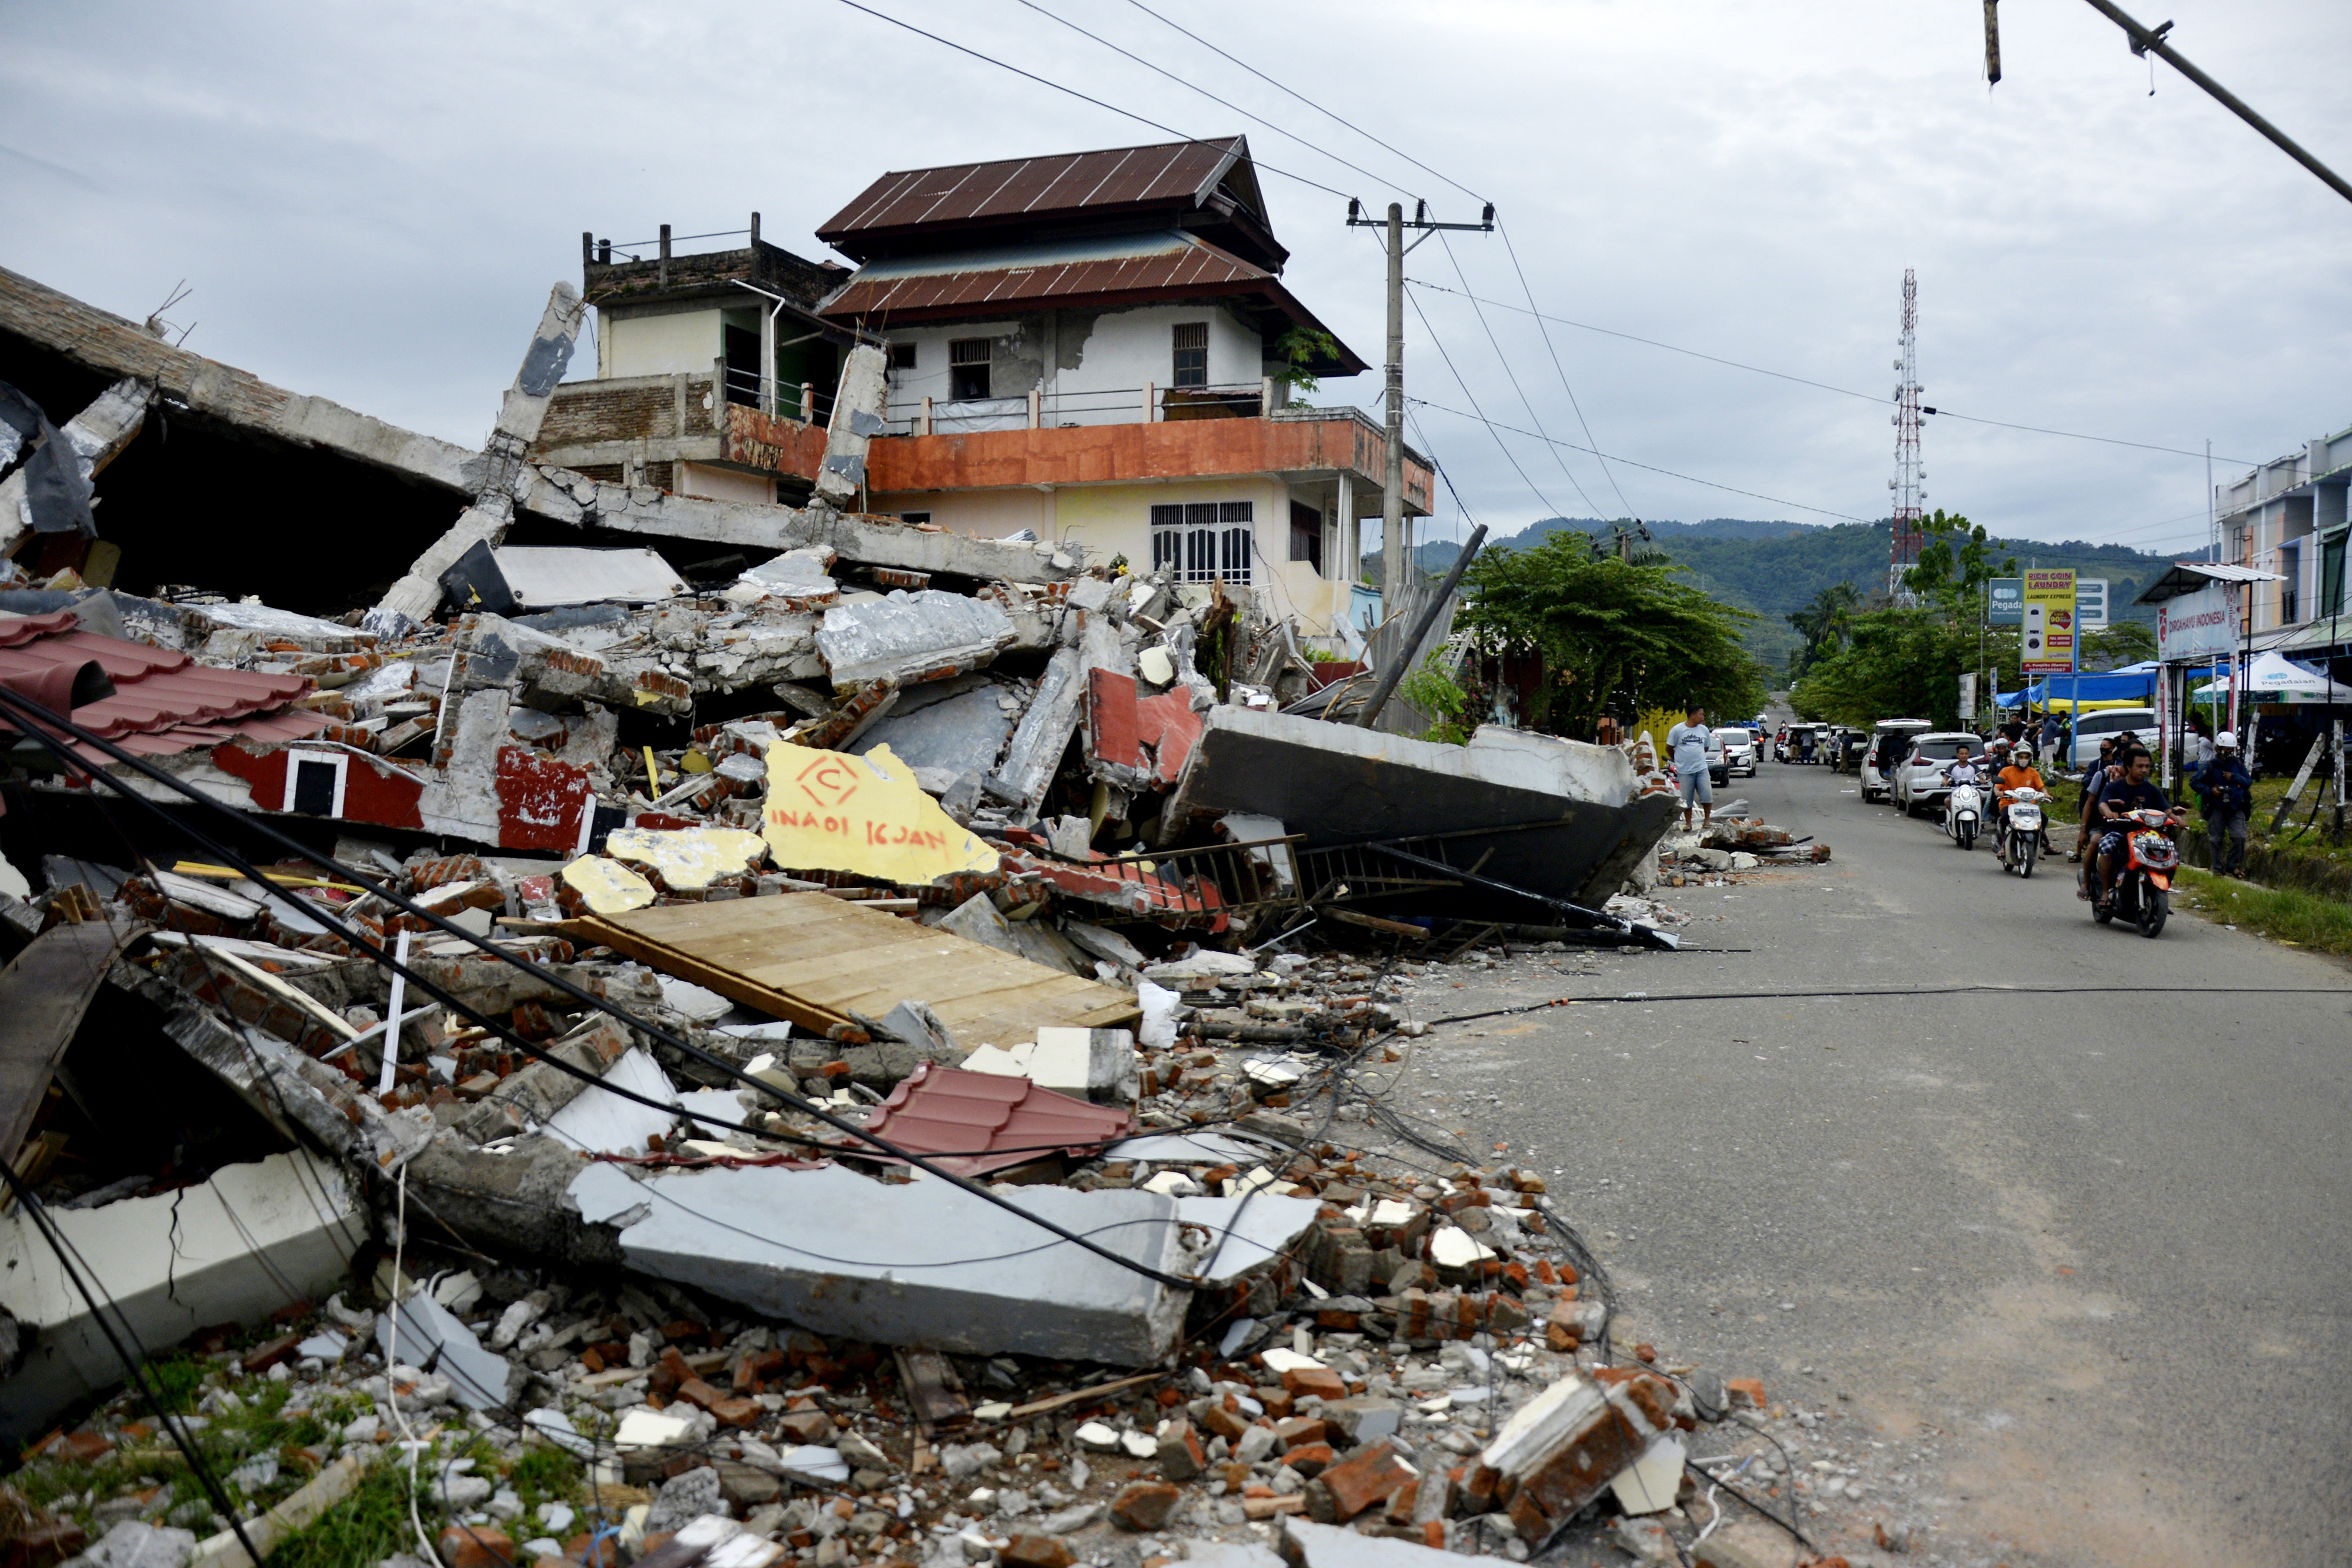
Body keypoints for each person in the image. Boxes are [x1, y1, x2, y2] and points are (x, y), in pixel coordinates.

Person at [2092, 748, 2174, 908]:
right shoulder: (2115, 787)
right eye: (2140, 766)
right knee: (2106, 847)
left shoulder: (2151, 789)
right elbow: (2102, 803)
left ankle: (2158, 893)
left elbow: (2167, 810)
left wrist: (2177, 819)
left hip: (2147, 835)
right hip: (2120, 832)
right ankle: (2105, 892)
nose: (2144, 770)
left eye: (2147, 766)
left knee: (2172, 855)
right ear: (2129, 766)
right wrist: (2109, 812)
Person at [2191, 731, 2254, 877]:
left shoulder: (2238, 765)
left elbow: (2248, 782)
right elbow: (2195, 782)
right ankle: (2218, 868)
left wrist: (2234, 778)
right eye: (2226, 749)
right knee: (2216, 839)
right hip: (2216, 808)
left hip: (2235, 807)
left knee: (2239, 836)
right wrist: (2210, 791)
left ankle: (2233, 866)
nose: (2229, 753)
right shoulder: (2211, 765)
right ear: (2218, 749)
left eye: (2231, 750)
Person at [1667, 706, 1714, 831]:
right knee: (1687, 798)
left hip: (1701, 768)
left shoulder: (1704, 731)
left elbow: (1706, 748)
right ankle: (1688, 823)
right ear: (1693, 715)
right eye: (1701, 714)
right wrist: (1678, 759)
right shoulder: (1678, 730)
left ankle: (1707, 820)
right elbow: (1669, 748)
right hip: (1685, 770)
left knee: (1707, 795)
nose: (1703, 717)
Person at [1997, 746, 2051, 852]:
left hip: (2029, 806)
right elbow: (1997, 787)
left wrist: (2046, 795)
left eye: (2026, 757)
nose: (2024, 760)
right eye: (2021, 757)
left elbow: (2041, 788)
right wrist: (1999, 792)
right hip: (2009, 804)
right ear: (2015, 758)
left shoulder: (2033, 772)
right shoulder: (2006, 771)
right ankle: (2003, 846)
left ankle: (2038, 843)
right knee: (2004, 819)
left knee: (2043, 819)